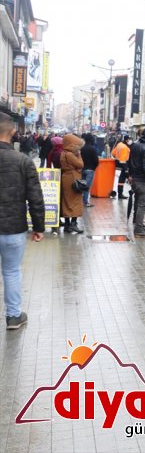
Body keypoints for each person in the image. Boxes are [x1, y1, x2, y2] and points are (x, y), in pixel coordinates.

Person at [0, 111, 44, 330]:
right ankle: (13, 316)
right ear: (13, 132)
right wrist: (39, 227)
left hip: (12, 228)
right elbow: (35, 197)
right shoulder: (23, 161)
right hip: (13, 228)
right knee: (11, 271)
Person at [60, 134, 85, 234]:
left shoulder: (63, 153)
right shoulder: (70, 155)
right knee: (75, 201)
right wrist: (79, 155)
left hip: (66, 178)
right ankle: (73, 224)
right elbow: (80, 165)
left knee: (67, 201)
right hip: (73, 179)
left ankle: (67, 225)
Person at [80, 133, 99, 208]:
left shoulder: (82, 148)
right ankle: (85, 202)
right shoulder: (92, 148)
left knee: (82, 186)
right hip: (90, 170)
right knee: (87, 187)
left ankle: (81, 200)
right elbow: (96, 160)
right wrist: (93, 168)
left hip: (82, 169)